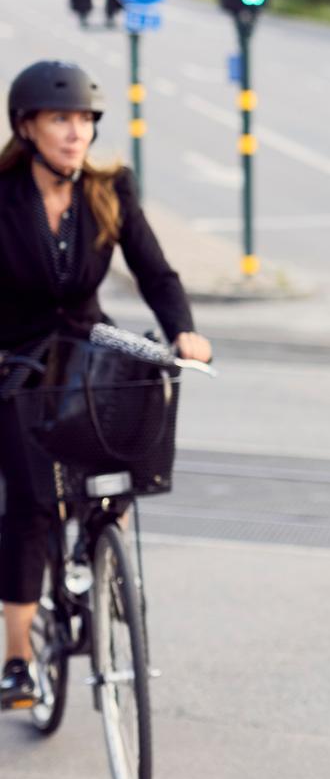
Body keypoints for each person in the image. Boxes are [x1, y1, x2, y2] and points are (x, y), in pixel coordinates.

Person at [0, 60, 211, 710]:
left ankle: (103, 555)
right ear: (28, 126)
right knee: (31, 502)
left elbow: (156, 273)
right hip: (19, 356)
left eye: (85, 121)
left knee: (127, 443)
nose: (75, 133)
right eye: (60, 119)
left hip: (91, 348)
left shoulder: (111, 189)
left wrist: (183, 332)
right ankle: (17, 658)